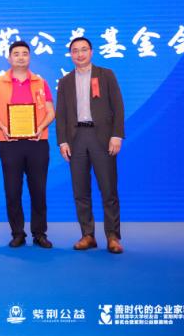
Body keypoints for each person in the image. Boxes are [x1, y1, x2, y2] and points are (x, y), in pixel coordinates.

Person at [56, 37, 125, 254]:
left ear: (91, 52)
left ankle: (113, 236)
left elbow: (118, 106)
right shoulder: (65, 81)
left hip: (101, 137)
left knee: (108, 189)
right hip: (76, 138)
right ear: (70, 55)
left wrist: (116, 135)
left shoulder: (106, 75)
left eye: (84, 49)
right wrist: (62, 141)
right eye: (75, 51)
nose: (80, 54)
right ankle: (88, 235)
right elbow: (61, 115)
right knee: (80, 190)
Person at [0, 41, 55, 249]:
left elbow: (51, 112)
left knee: (38, 190)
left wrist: (40, 127)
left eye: (25, 53)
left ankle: (39, 233)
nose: (20, 57)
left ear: (30, 57)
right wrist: (3, 128)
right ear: (9, 58)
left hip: (37, 142)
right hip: (9, 143)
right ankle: (17, 233)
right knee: (12, 190)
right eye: (16, 54)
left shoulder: (41, 82)